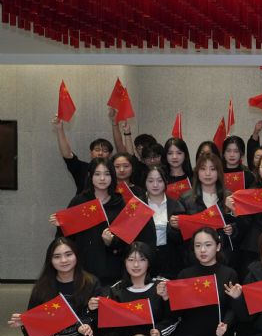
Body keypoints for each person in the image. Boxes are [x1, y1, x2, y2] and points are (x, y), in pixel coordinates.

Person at [158, 228, 238, 336]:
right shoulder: (185, 274)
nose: (202, 250)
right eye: (198, 245)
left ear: (218, 247)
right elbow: (176, 313)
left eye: (208, 245)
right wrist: (166, 298)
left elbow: (233, 308)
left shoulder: (228, 273)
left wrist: (226, 324)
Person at [49, 157, 126, 286]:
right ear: (90, 176)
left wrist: (112, 242)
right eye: (97, 174)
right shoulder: (79, 201)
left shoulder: (119, 203)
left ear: (113, 176)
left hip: (113, 267)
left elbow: (127, 239)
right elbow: (67, 239)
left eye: (107, 174)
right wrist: (61, 225)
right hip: (84, 268)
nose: (102, 178)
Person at [175, 153, 237, 265]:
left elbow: (241, 226)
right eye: (203, 169)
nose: (208, 173)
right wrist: (174, 226)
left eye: (213, 169)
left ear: (219, 172)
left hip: (225, 258)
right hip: (195, 259)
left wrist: (233, 228)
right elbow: (178, 236)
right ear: (197, 172)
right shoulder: (186, 199)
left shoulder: (229, 197)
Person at [52, 115, 113, 194]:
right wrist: (59, 129)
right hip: (83, 202)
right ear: (91, 153)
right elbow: (67, 154)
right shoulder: (82, 168)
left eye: (105, 150)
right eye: (97, 150)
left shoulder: (115, 170)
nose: (100, 153)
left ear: (110, 155)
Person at [143, 166, 185, 277]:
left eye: (159, 181)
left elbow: (183, 238)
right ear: (145, 182)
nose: (155, 185)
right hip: (145, 258)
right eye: (150, 181)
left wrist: (176, 228)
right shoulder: (138, 205)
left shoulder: (176, 205)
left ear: (166, 182)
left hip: (171, 258)